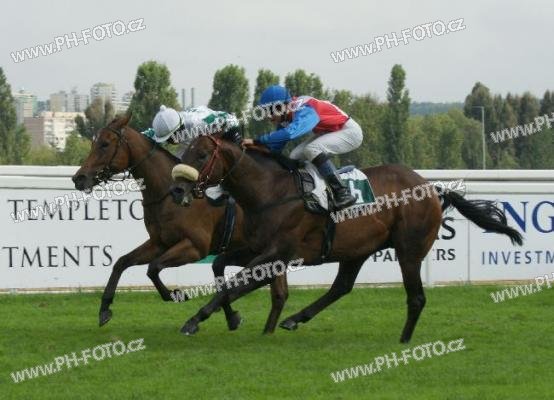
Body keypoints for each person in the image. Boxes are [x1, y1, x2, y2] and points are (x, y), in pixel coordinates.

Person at [245, 85, 363, 209]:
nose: (268, 117)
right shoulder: (287, 115)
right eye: (265, 111)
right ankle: (315, 189)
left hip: (349, 132)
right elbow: (275, 148)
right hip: (329, 132)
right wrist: (254, 148)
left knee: (312, 149)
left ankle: (342, 192)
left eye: (270, 111)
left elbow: (291, 133)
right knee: (294, 155)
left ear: (282, 106)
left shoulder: (305, 108)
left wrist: (257, 140)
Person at [148, 105, 241, 157]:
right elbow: (144, 136)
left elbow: (231, 119)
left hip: (223, 127)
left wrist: (236, 142)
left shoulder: (200, 123)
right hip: (192, 138)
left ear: (179, 128)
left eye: (170, 138)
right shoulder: (164, 128)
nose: (170, 142)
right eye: (167, 139)